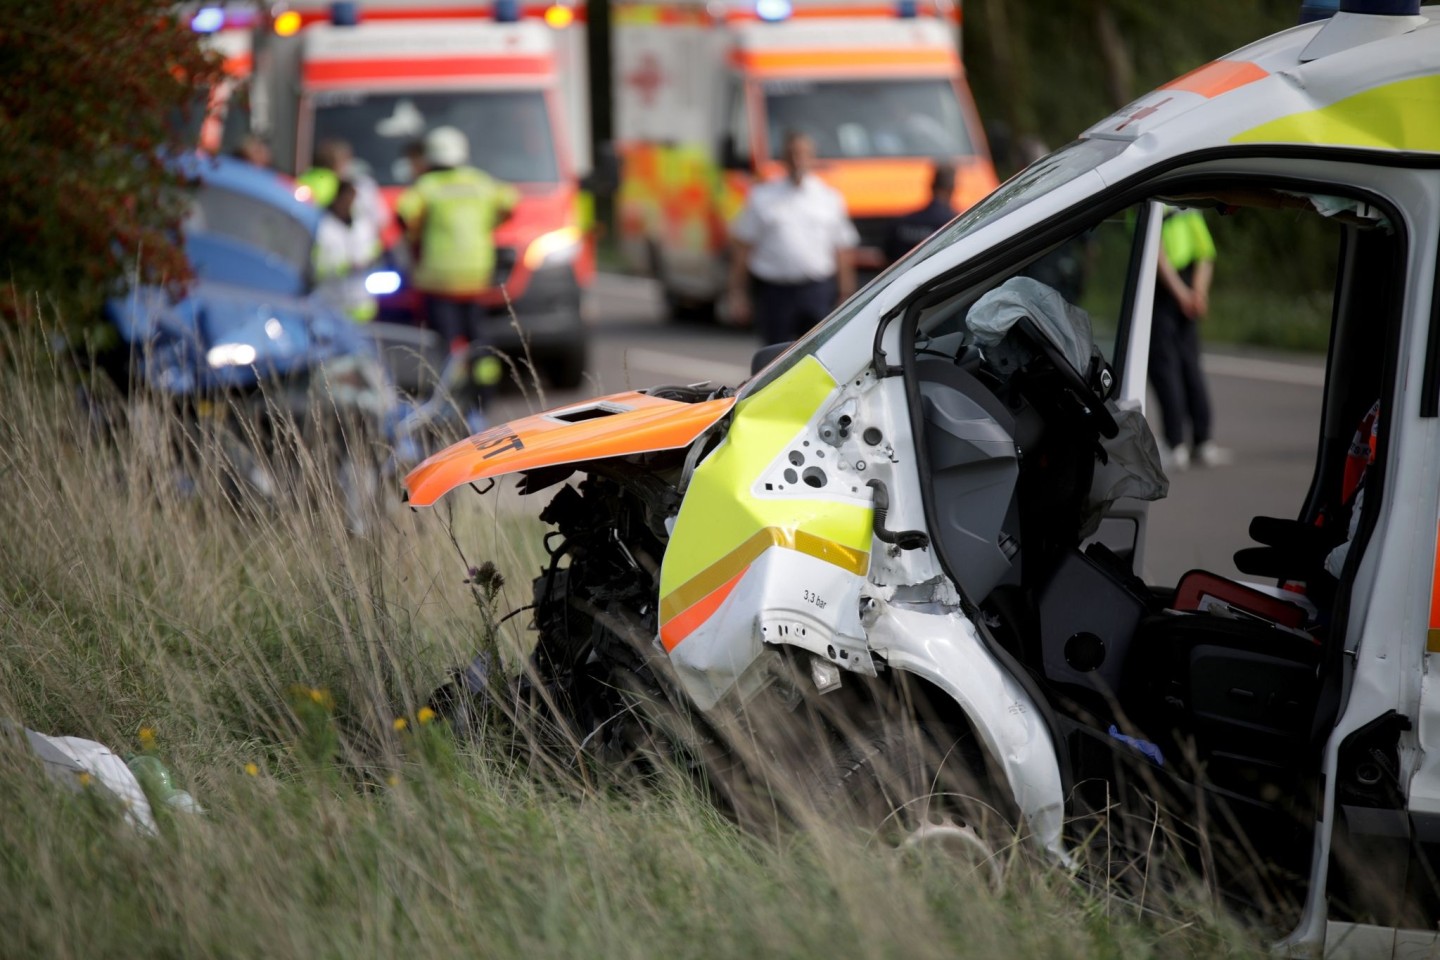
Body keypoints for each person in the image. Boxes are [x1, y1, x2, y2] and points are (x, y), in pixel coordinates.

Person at [395, 126, 519, 430]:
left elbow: (403, 215)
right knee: (481, 346)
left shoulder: (427, 185)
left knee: (447, 347)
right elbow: (510, 202)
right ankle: (482, 402)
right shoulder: (480, 181)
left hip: (437, 281)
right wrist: (487, 223)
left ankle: (445, 404)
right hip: (477, 278)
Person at [728, 131, 859, 345]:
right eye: (792, 155)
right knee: (774, 355)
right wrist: (737, 293)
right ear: (783, 159)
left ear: (812, 158)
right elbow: (743, 246)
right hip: (775, 292)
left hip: (816, 290)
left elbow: (843, 248)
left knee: (819, 354)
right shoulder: (763, 196)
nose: (798, 160)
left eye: (803, 154)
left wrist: (846, 293)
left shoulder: (828, 197)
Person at [1149, 205, 1228, 470]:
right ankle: (1202, 440)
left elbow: (1153, 250)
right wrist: (1198, 294)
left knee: (1163, 366)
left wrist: (1181, 294)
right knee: (1190, 364)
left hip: (1165, 286)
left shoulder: (1152, 196)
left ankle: (1175, 444)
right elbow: (1205, 252)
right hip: (1190, 284)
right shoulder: (1189, 201)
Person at [313, 180, 382, 324]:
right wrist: (345, 266)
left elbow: (374, 251)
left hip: (362, 307)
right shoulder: (323, 226)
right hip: (331, 303)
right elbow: (317, 264)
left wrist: (369, 261)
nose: (350, 203)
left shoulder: (363, 226)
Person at [883, 162, 957, 264]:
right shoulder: (954, 224)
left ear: (931, 186)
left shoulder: (902, 223)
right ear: (952, 189)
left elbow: (887, 257)